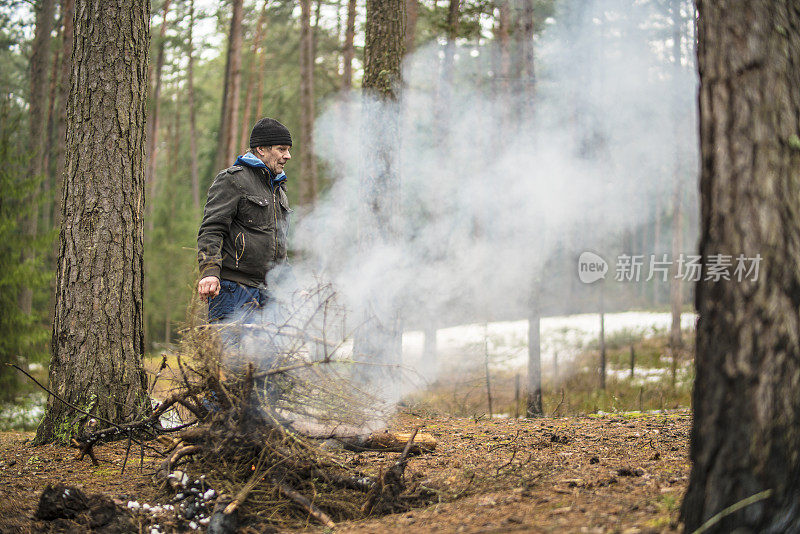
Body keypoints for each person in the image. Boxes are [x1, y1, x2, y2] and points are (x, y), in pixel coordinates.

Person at [197, 117, 293, 323]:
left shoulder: (279, 188)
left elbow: (279, 245)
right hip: (234, 290)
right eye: (282, 149)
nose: (288, 156)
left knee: (270, 356)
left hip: (269, 294)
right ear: (261, 149)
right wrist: (209, 272)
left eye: (288, 150)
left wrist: (291, 286)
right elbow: (212, 229)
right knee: (231, 355)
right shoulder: (233, 179)